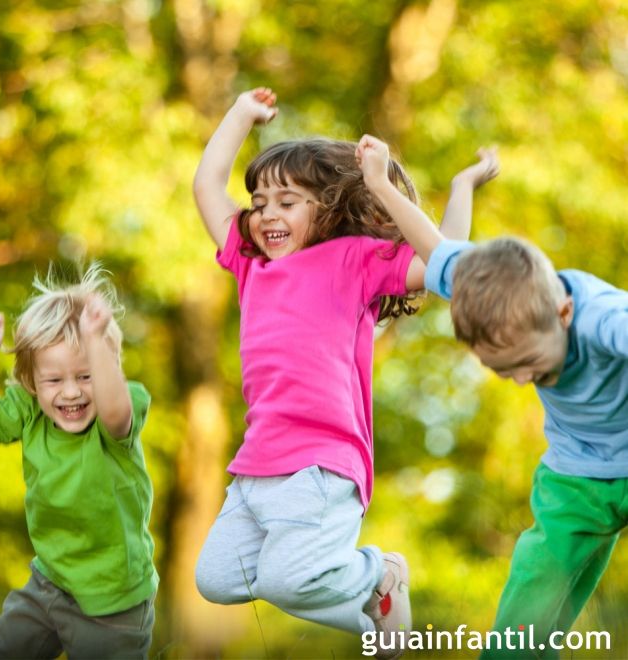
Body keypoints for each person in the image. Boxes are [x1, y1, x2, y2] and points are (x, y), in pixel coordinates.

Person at [192, 87, 498, 652]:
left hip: (321, 465)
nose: (267, 214)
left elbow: (448, 259)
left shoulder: (352, 260)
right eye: (259, 202)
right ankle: (374, 601)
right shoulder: (250, 265)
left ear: (327, 207)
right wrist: (238, 114)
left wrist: (408, 186)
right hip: (256, 466)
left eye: (287, 201)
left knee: (287, 579)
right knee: (215, 580)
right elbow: (207, 187)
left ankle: (378, 572)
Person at [357, 134, 627, 658]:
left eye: (530, 364)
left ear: (564, 314)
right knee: (534, 587)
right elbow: (433, 244)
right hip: (576, 474)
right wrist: (379, 181)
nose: (523, 381)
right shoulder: (486, 292)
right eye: (503, 371)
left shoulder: (607, 321)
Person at [0, 265, 158, 660]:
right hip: (48, 585)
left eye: (86, 375)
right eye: (54, 380)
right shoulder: (28, 411)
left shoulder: (118, 411)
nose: (71, 392)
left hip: (114, 602)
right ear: (32, 383)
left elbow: (114, 412)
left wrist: (95, 340)